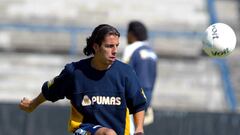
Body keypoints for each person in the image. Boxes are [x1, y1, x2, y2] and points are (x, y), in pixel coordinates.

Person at [19, 24, 147, 135]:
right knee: (109, 133)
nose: (114, 51)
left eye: (116, 46)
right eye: (109, 46)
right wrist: (32, 104)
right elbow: (50, 91)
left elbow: (138, 105)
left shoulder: (126, 73)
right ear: (96, 47)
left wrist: (139, 130)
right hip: (84, 129)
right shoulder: (74, 72)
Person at [122, 21, 157, 126]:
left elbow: (124, 73)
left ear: (131, 35)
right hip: (147, 95)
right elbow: (154, 77)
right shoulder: (152, 53)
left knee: (127, 128)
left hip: (133, 95)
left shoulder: (131, 49)